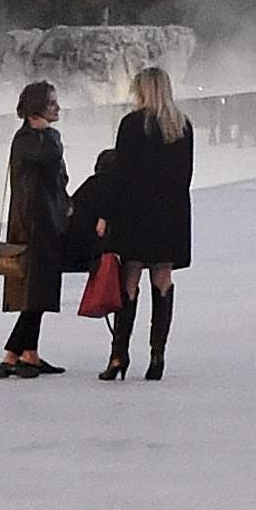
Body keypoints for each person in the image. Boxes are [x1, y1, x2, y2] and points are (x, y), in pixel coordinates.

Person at [89, 61, 194, 383]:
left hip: (136, 212)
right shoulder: (182, 125)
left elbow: (120, 175)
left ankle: (119, 354)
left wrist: (106, 214)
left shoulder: (132, 125)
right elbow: (185, 175)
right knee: (163, 278)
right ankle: (157, 355)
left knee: (129, 277)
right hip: (172, 212)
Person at [0, 79, 68, 378]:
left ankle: (27, 353)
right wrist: (52, 136)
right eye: (52, 104)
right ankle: (11, 355)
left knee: (40, 292)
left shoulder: (38, 138)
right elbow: (47, 158)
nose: (58, 108)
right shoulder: (30, 140)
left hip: (45, 222)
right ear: (36, 108)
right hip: (33, 225)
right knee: (35, 292)